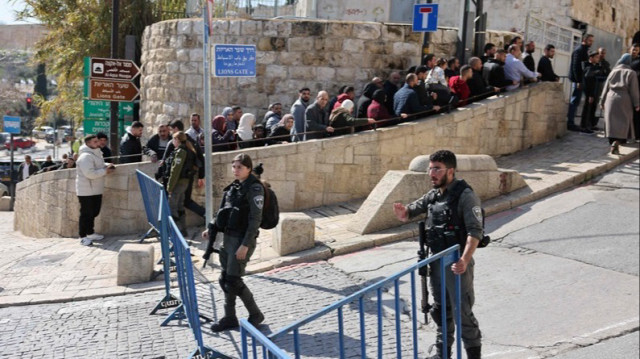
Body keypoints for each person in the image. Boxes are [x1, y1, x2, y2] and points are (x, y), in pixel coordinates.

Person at [392, 150, 483, 359]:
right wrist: (404, 212)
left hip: (456, 263)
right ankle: (443, 353)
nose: (431, 173)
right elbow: (415, 208)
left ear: (450, 171)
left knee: (462, 312)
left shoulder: (465, 196)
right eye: (430, 168)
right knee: (441, 310)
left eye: (437, 169)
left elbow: (475, 232)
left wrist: (464, 260)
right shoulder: (435, 194)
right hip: (435, 261)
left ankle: (473, 355)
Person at [203, 153, 265, 332]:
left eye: (240, 167)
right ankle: (229, 317)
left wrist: (245, 244)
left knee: (233, 279)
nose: (236, 170)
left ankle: (255, 314)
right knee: (226, 278)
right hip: (228, 238)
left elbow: (255, 219)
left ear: (248, 168)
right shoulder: (234, 187)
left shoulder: (254, 189)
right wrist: (212, 227)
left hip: (241, 240)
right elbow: (223, 211)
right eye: (234, 167)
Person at [161, 119, 206, 219]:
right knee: (183, 202)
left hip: (177, 180)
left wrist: (169, 186)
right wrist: (201, 176)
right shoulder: (191, 141)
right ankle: (183, 228)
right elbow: (200, 158)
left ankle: (176, 230)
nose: (170, 132)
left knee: (176, 205)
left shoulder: (175, 144)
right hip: (188, 177)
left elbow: (169, 165)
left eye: (171, 130)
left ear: (176, 129)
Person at [76, 135, 115, 246]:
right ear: (88, 143)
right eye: (95, 141)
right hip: (86, 190)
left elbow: (100, 165)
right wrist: (105, 171)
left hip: (96, 189)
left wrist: (107, 165)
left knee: (94, 212)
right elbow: (90, 173)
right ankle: (83, 236)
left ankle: (90, 232)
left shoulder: (96, 153)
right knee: (86, 214)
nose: (98, 143)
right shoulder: (85, 157)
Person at [600, 63, 640, 154]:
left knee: (611, 122)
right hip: (624, 98)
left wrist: (602, 101)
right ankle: (617, 142)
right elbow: (634, 90)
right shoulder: (631, 73)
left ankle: (613, 143)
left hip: (610, 98)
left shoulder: (613, 72)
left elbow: (606, 87)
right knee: (624, 122)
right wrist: (637, 104)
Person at [167, 131, 198, 236]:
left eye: (173, 139)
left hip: (179, 182)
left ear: (177, 140)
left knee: (172, 206)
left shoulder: (181, 151)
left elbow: (175, 170)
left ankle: (177, 232)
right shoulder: (187, 149)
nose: (172, 142)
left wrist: (170, 187)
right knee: (180, 206)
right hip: (185, 182)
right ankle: (183, 230)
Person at [567, 34, 594, 132]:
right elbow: (575, 67)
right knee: (574, 101)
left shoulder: (585, 50)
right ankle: (570, 123)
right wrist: (578, 81)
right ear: (584, 40)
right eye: (590, 40)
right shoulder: (579, 50)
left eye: (592, 41)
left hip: (581, 79)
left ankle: (574, 122)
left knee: (577, 101)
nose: (591, 42)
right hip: (578, 80)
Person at [580, 51, 603, 132]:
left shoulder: (594, 67)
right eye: (596, 57)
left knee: (592, 108)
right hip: (589, 92)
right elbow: (588, 83)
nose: (598, 59)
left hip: (593, 91)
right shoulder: (589, 68)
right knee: (587, 108)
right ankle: (584, 126)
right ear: (591, 58)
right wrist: (590, 95)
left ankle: (590, 124)